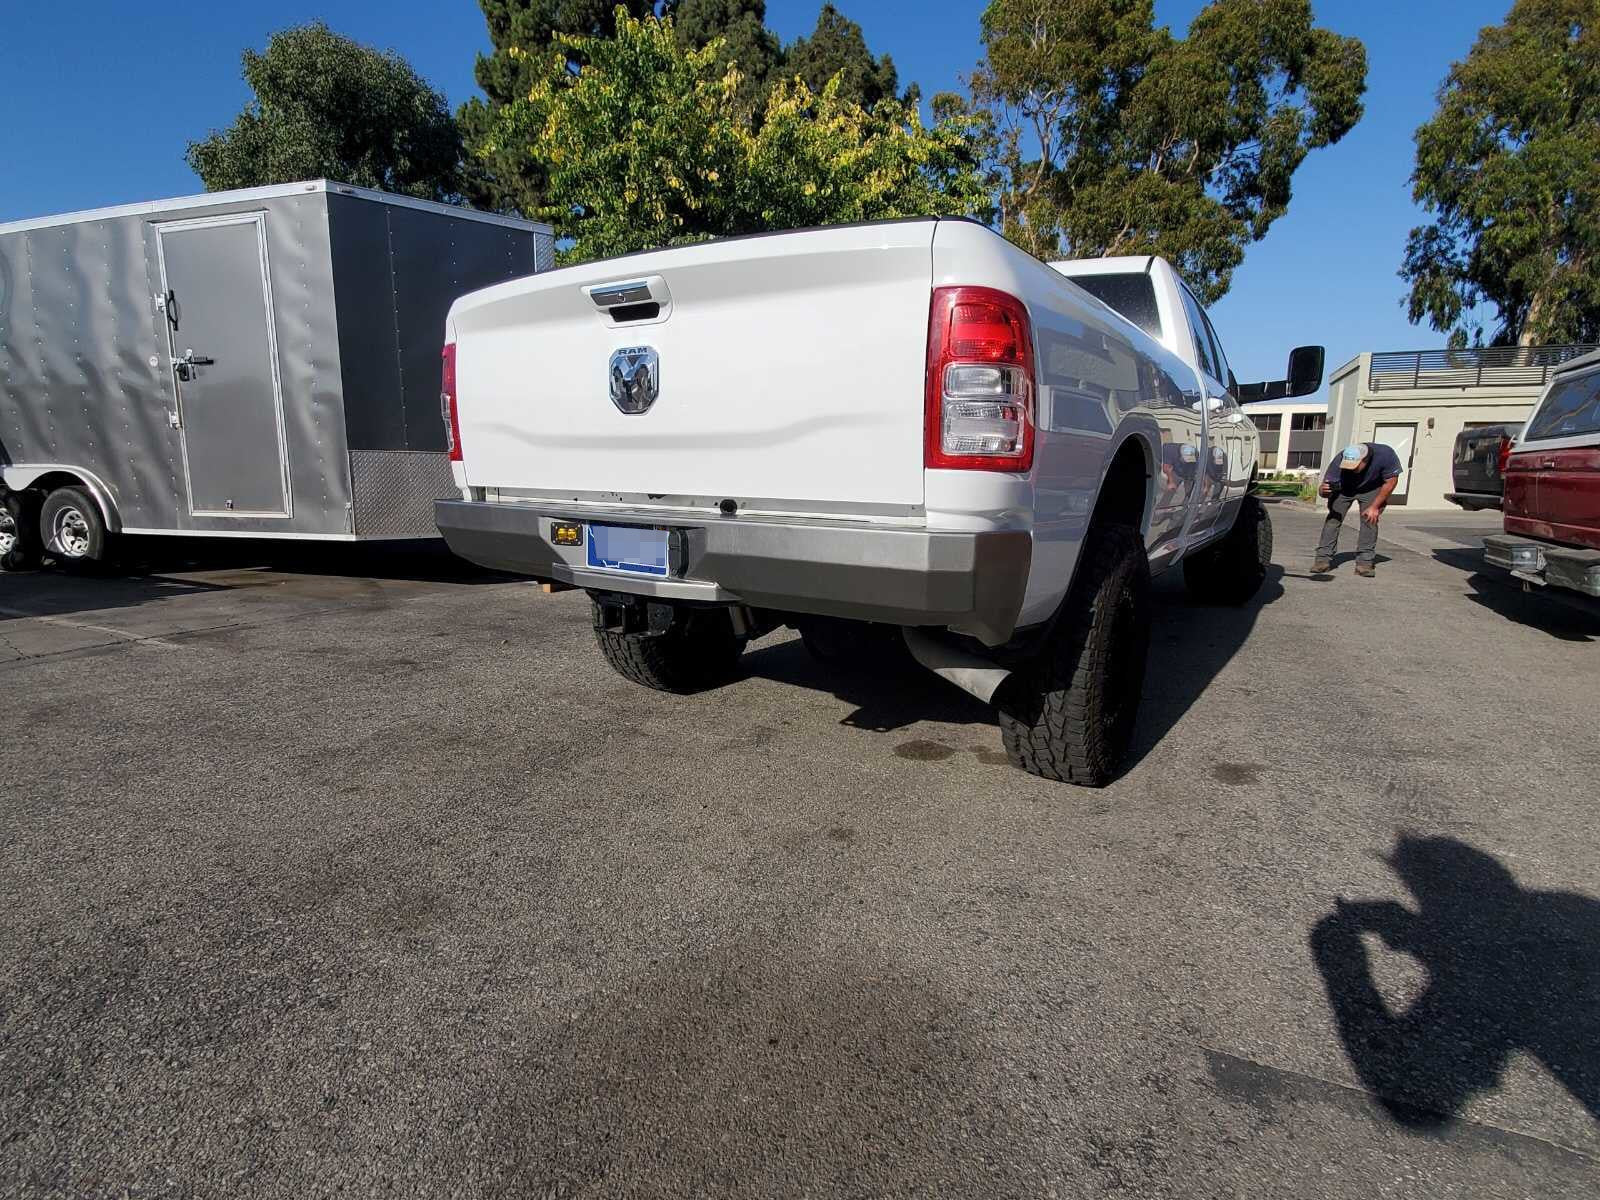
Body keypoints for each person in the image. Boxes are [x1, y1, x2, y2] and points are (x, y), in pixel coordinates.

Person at [1312, 442, 1402, 577]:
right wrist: (1323, 491)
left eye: (1354, 466)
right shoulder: (1339, 459)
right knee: (1333, 519)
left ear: (1365, 460)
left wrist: (1375, 506)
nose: (1350, 469)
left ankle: (1364, 562)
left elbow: (1391, 481)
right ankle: (1322, 560)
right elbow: (1324, 491)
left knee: (1369, 520)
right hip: (1344, 488)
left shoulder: (1385, 454)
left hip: (1371, 488)